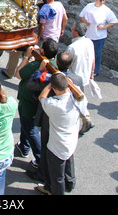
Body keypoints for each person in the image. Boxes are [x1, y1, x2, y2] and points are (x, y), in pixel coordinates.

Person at [27, 51, 84, 193]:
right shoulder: (76, 81)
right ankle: (70, 180)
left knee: (50, 153)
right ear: (71, 64)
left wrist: (41, 71)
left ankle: (45, 178)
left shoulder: (50, 79)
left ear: (56, 62)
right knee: (68, 156)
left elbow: (32, 86)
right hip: (70, 131)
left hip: (50, 120)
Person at [15, 39, 58, 177]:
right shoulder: (55, 62)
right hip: (38, 102)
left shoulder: (36, 65)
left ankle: (40, 159)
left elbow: (18, 74)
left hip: (29, 102)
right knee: (26, 124)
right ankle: (24, 146)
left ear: (43, 51)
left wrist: (27, 57)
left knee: (31, 129)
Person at [38, 72, 81, 195]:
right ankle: (66, 183)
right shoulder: (76, 98)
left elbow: (42, 97)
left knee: (57, 177)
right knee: (66, 164)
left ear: (54, 89)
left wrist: (49, 85)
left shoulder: (55, 105)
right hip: (71, 140)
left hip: (56, 146)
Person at [79, 0, 118, 76]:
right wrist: (86, 22)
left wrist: (105, 26)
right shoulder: (89, 6)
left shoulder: (106, 10)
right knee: (87, 53)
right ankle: (86, 68)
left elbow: (114, 21)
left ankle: (95, 71)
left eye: (103, 0)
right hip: (88, 34)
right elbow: (81, 16)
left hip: (99, 36)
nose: (102, 2)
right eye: (100, 0)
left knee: (97, 54)